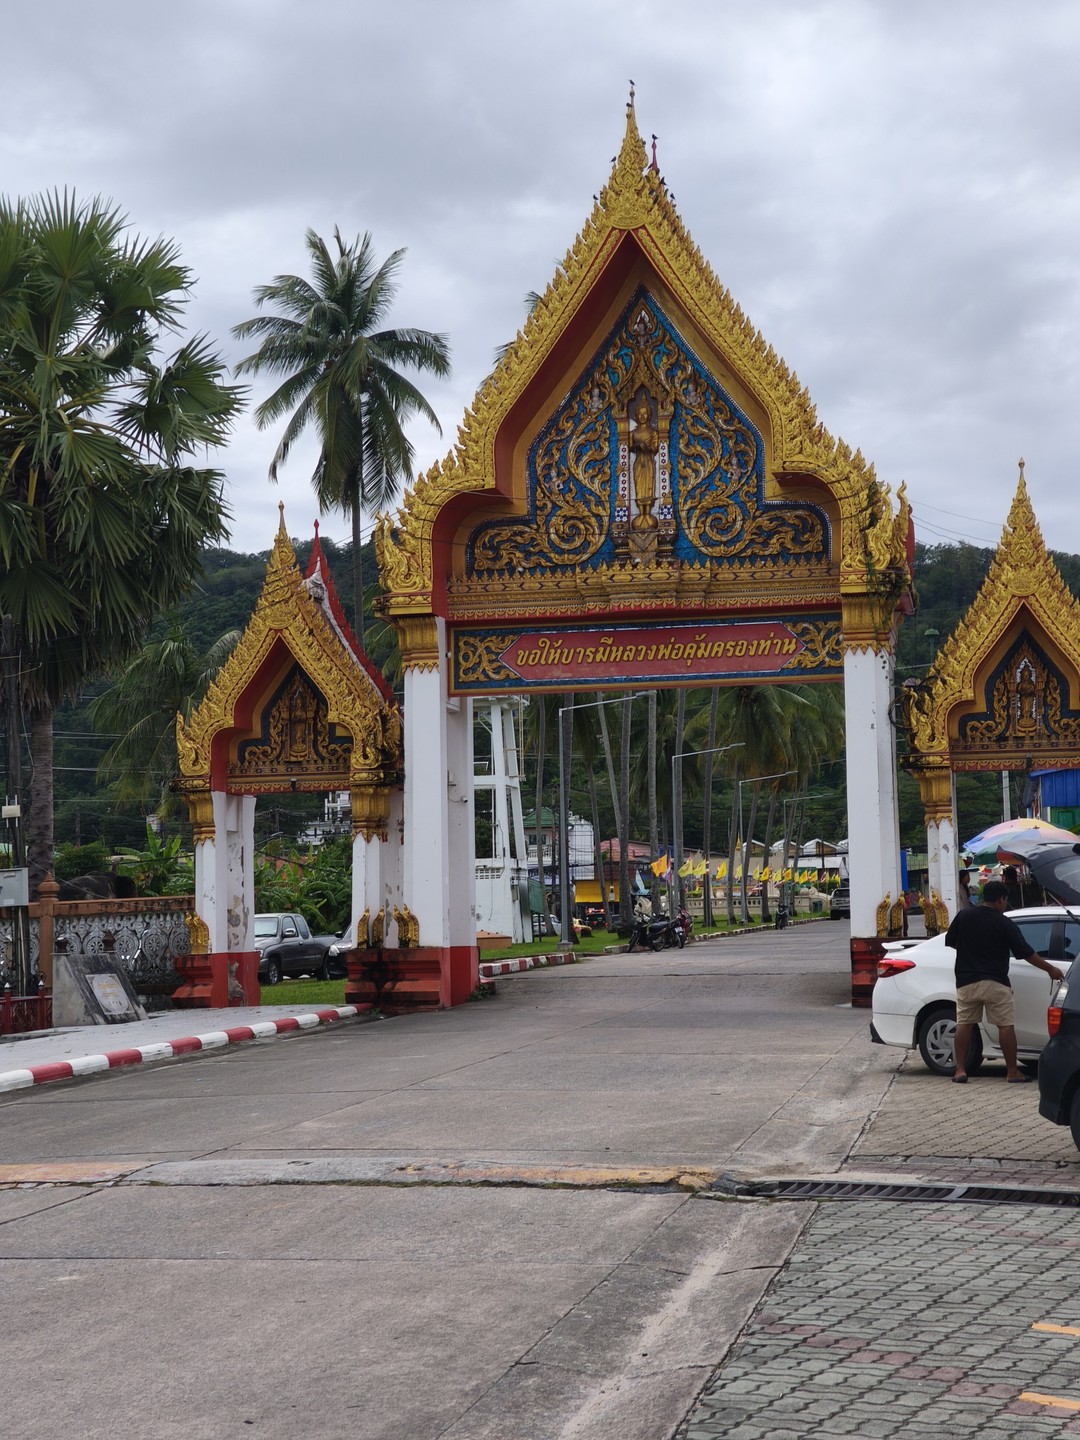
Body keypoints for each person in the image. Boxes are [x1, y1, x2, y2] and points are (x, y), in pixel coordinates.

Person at [945, 878, 1064, 1084]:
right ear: (1001, 900)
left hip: (966, 981)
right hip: (995, 982)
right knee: (1005, 1025)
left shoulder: (963, 916)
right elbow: (1025, 953)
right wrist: (1050, 969)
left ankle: (961, 1070)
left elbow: (951, 942)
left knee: (964, 1023)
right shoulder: (1003, 922)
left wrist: (971, 955)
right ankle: (1012, 1072)